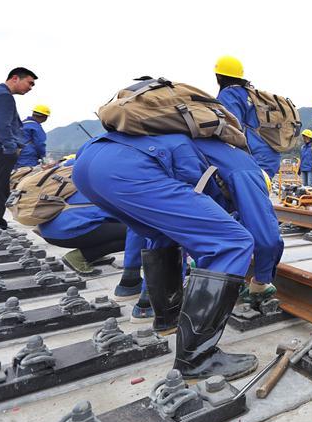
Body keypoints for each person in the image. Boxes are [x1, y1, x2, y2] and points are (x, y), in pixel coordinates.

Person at [74, 130, 282, 381]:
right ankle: (197, 359)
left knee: (162, 233)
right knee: (231, 242)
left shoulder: (218, 155)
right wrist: (260, 281)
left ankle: (167, 319)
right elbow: (267, 238)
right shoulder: (248, 172)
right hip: (128, 168)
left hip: (88, 165)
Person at [35, 160, 144, 299]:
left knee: (116, 229)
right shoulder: (115, 189)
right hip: (66, 232)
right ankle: (80, 257)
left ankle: (93, 253)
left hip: (49, 228)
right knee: (137, 234)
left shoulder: (85, 178)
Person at [214, 55, 281, 178]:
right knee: (258, 194)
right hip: (270, 153)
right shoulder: (249, 93)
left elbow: (231, 128)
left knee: (248, 195)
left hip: (255, 155)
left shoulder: (229, 94)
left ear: (219, 76)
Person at [0, 68, 36, 229]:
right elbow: (2, 125)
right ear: (15, 78)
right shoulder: (3, 96)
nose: (31, 87)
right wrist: (11, 149)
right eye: (29, 83)